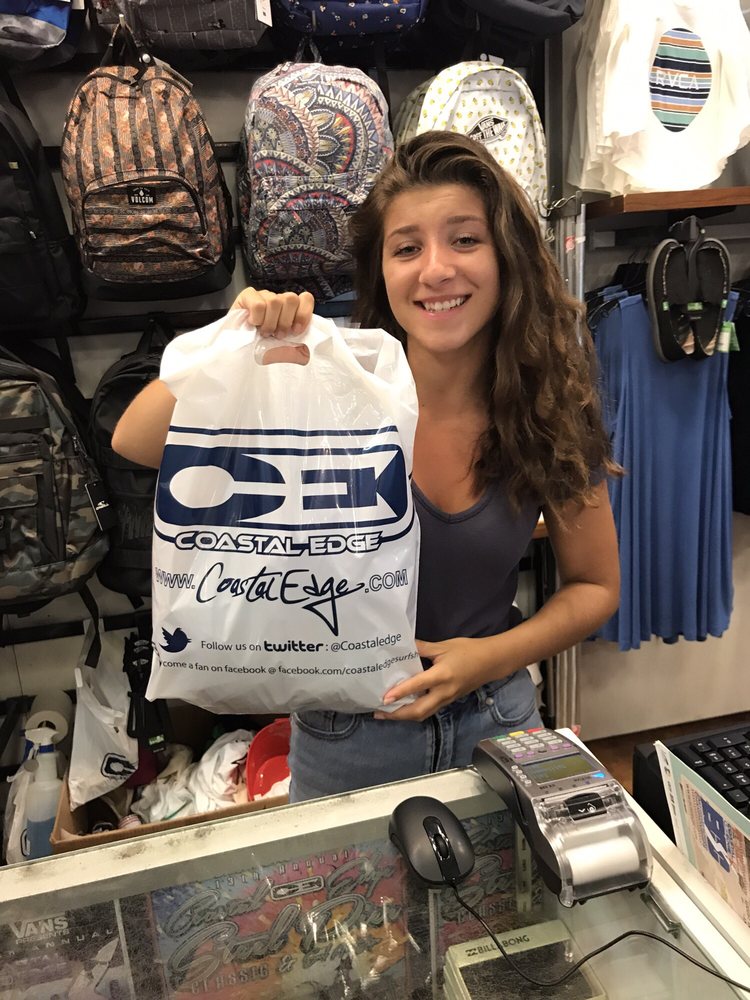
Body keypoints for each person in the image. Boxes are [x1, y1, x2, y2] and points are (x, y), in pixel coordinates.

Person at [112, 131, 620, 803]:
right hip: (348, 735)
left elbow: (594, 586)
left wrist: (486, 660)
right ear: (380, 271)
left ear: (507, 257)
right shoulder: (328, 386)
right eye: (407, 248)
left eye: (465, 239)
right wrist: (235, 343)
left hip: (496, 718)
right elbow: (135, 440)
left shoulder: (546, 405)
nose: (435, 269)